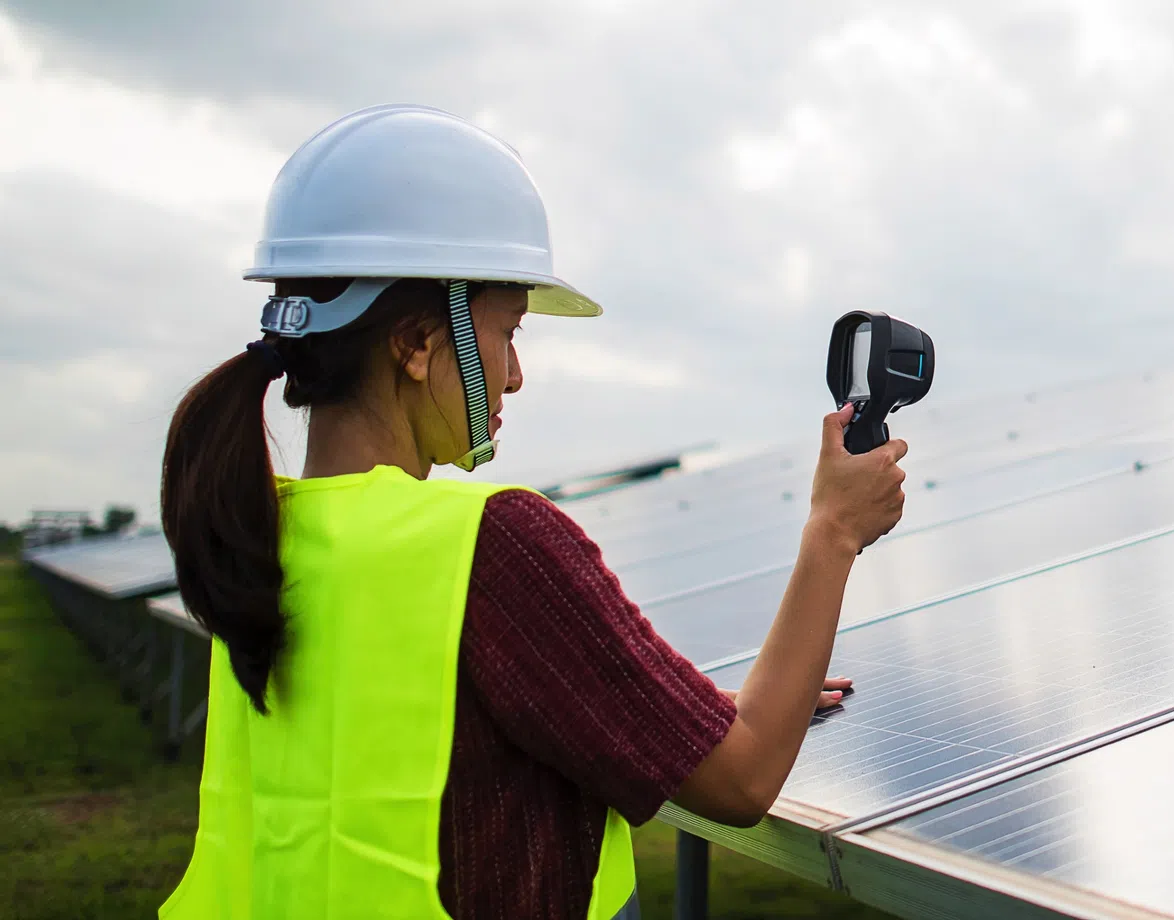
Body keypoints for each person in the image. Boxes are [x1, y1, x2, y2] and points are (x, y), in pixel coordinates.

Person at [156, 104, 907, 920]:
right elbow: (742, 779)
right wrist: (833, 532)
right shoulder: (489, 547)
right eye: (506, 332)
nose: (513, 375)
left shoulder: (256, 531)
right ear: (415, 343)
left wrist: (662, 712)